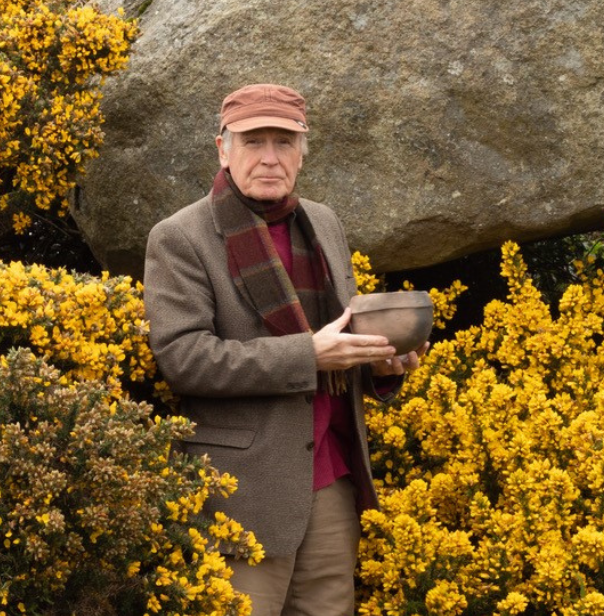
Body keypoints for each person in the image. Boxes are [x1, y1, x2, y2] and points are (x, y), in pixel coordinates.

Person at [143, 83, 425, 616]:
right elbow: (183, 358)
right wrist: (307, 357)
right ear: (222, 149)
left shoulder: (324, 222)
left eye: (284, 142)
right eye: (254, 142)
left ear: (302, 152)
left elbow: (337, 339)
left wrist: (383, 364)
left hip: (331, 474)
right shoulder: (180, 237)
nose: (270, 158)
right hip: (242, 491)